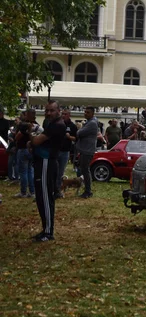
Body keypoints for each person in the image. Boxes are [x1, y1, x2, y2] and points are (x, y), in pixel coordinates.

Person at [31, 100, 66, 241]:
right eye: (47, 110)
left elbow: (36, 141)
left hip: (47, 162)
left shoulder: (57, 125)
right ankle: (45, 229)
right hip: (43, 161)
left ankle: (48, 232)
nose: (48, 113)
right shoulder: (51, 124)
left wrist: (30, 136)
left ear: (59, 111)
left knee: (45, 196)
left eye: (51, 110)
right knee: (40, 196)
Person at [75, 106, 98, 198]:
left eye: (88, 112)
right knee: (84, 169)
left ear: (92, 113)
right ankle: (87, 190)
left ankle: (88, 191)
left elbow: (79, 133)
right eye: (85, 112)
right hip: (85, 149)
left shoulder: (92, 123)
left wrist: (80, 129)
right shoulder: (89, 122)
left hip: (87, 150)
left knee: (85, 170)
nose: (85, 114)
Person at [55, 109, 78, 198]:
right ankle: (53, 189)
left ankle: (58, 190)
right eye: (62, 114)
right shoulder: (58, 124)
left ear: (69, 115)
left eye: (65, 114)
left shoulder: (72, 126)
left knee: (61, 172)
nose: (63, 115)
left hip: (65, 152)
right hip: (57, 150)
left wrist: (69, 137)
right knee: (54, 171)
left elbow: (76, 139)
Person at [14, 121, 35, 198]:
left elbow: (16, 137)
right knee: (30, 171)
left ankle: (23, 192)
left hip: (22, 149)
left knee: (23, 172)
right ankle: (32, 191)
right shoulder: (31, 130)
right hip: (30, 150)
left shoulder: (23, 128)